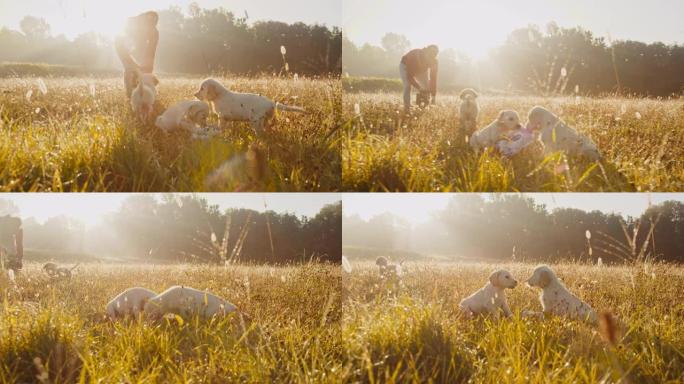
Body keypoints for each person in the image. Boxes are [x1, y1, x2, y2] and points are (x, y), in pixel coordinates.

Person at [115, 11, 160, 98]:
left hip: (139, 47)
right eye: (148, 24)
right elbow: (120, 47)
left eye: (152, 25)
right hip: (124, 47)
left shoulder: (154, 33)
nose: (150, 27)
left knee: (146, 71)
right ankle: (131, 95)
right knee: (130, 69)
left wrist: (148, 69)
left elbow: (151, 52)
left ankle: (146, 94)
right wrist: (132, 65)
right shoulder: (129, 25)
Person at [399, 45, 439, 113]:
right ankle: (407, 109)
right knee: (407, 86)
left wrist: (433, 96)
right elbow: (409, 77)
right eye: (429, 56)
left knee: (426, 86)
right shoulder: (415, 56)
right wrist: (418, 87)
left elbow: (433, 78)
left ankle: (423, 107)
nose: (430, 59)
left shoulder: (434, 61)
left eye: (432, 57)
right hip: (405, 66)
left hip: (421, 69)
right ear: (426, 52)